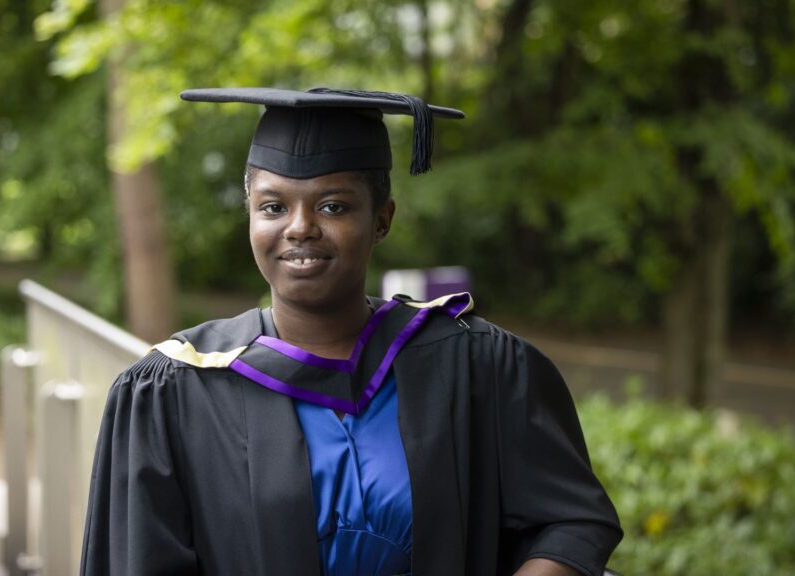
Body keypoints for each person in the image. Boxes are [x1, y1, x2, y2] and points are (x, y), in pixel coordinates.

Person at [80, 87, 622, 576]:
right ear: (249, 215)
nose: (299, 227)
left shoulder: (477, 366)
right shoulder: (176, 390)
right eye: (272, 206)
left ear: (381, 219)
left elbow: (571, 521)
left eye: (333, 205)